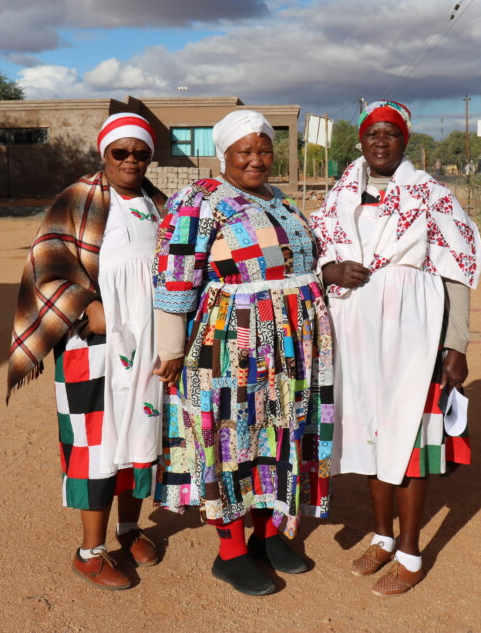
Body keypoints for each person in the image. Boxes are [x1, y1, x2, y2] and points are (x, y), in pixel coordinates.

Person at [152, 109, 334, 597]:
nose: (256, 159)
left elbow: (299, 264)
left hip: (289, 349)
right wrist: (171, 348)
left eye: (264, 150)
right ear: (224, 154)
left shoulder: (281, 200)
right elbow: (175, 274)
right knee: (231, 438)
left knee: (281, 432)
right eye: (245, 151)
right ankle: (230, 552)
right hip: (232, 344)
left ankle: (267, 536)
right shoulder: (201, 199)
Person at [311, 100, 481, 596]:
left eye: (391, 134)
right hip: (355, 336)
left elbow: (457, 269)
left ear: (405, 141)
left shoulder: (432, 195)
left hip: (415, 333)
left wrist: (456, 343)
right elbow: (312, 256)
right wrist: (330, 272)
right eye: (373, 134)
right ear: (360, 141)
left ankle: (410, 551)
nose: (381, 142)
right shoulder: (340, 196)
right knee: (372, 432)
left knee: (408, 436)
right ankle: (382, 537)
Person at [7, 112, 168, 591]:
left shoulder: (158, 203)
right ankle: (89, 552)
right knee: (96, 442)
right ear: (105, 153)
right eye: (121, 152)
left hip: (147, 341)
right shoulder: (79, 198)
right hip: (92, 342)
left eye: (140, 153)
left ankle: (128, 528)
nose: (131, 160)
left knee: (142, 432)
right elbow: (46, 264)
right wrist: (86, 303)